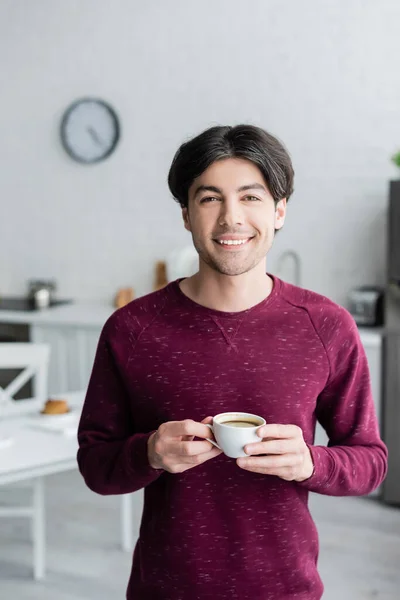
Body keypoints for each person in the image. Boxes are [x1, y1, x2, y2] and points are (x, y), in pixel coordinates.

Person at [77, 124, 388, 600]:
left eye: (251, 197)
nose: (231, 218)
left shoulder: (327, 326)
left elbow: (370, 461)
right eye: (209, 199)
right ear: (185, 214)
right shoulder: (131, 329)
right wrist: (151, 453)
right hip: (164, 589)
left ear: (280, 210)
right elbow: (96, 467)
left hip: (287, 590)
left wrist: (311, 462)